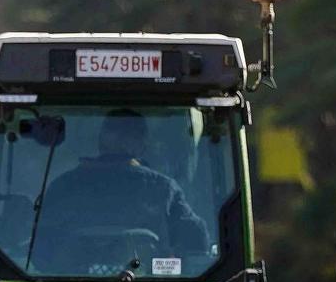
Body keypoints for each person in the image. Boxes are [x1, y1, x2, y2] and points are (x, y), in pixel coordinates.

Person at [39, 109, 210, 258]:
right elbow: (198, 243)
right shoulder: (164, 189)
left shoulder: (64, 186)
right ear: (143, 145)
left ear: (100, 142)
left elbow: (40, 249)